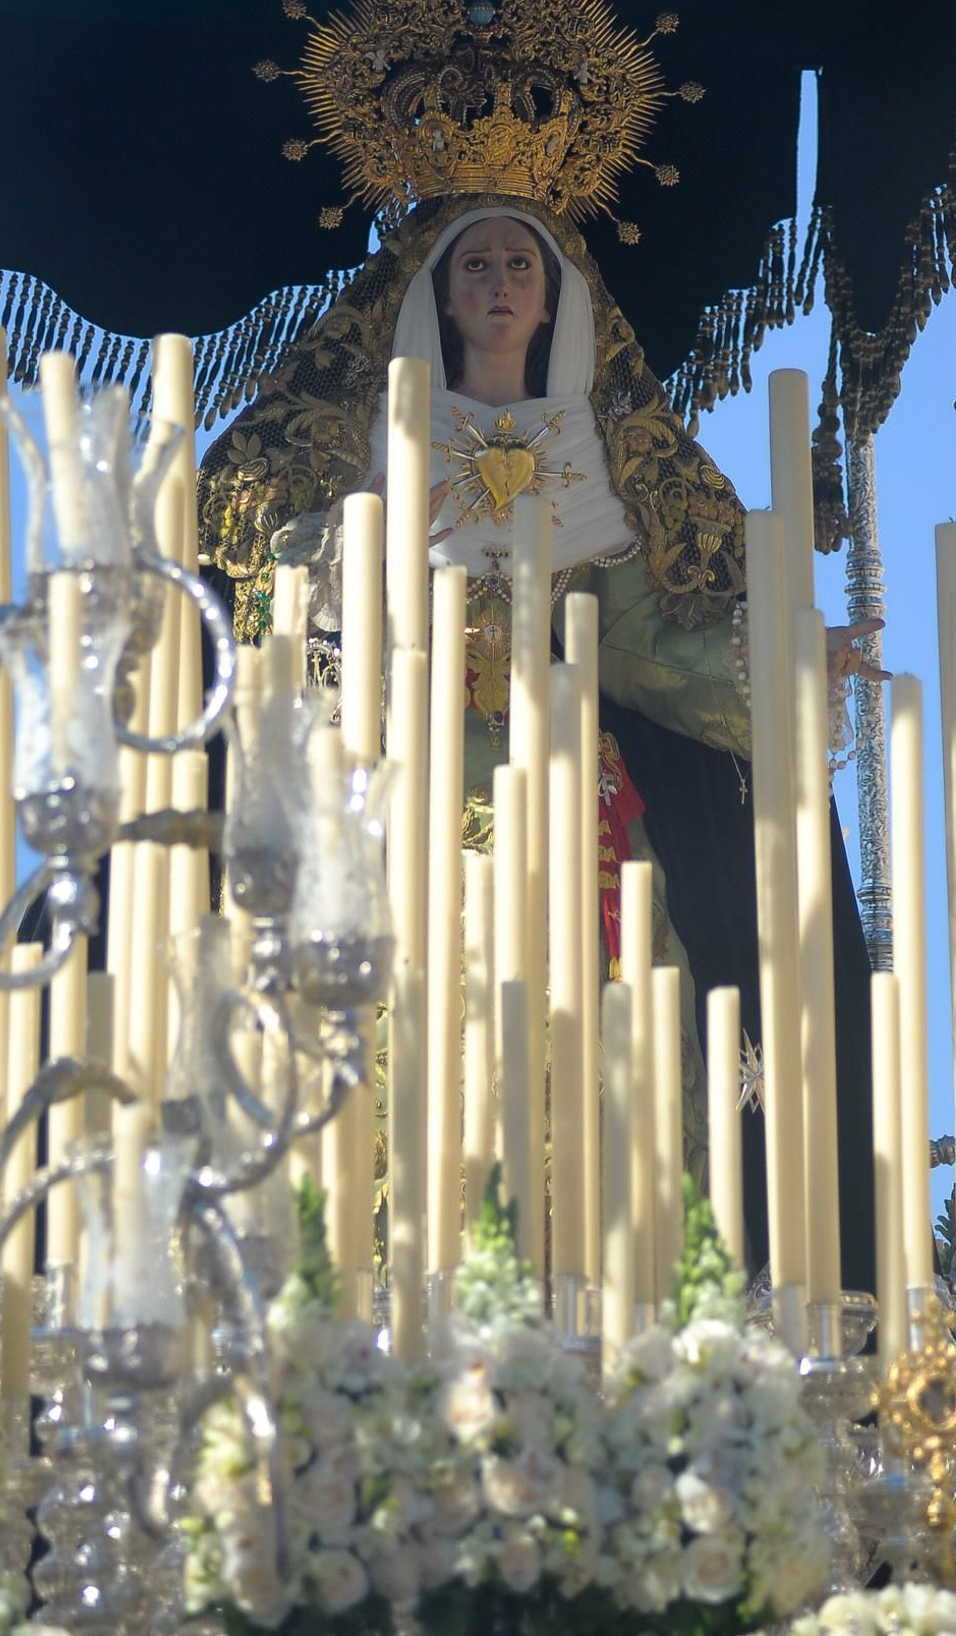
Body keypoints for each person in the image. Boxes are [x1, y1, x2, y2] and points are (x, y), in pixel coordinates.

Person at [199, 192, 878, 1285]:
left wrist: (794, 659)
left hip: (581, 831)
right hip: (412, 816)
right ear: (441, 295)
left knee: (608, 1061)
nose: (501, 283)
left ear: (555, 294)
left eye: (522, 262)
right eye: (477, 266)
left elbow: (648, 649)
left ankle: (614, 1286)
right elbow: (299, 650)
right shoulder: (374, 461)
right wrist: (356, 572)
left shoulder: (592, 467)